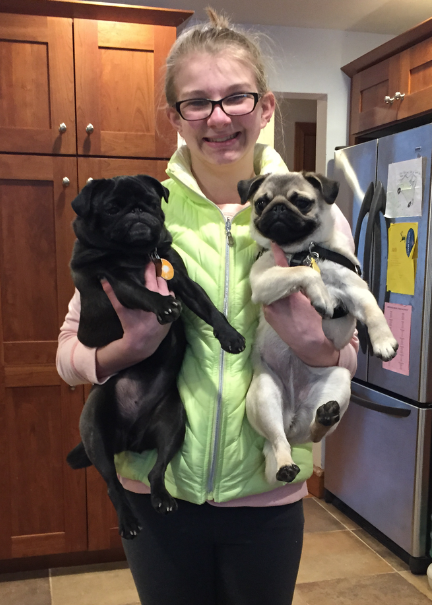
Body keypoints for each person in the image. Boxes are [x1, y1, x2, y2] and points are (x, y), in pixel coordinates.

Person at [57, 9, 358, 605]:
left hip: (268, 497)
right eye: (197, 102)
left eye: (236, 98)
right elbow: (67, 355)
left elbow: (350, 352)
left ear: (266, 107)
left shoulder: (317, 216)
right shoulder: (142, 212)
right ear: (175, 117)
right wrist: (129, 349)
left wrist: (313, 341)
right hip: (157, 492)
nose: (219, 118)